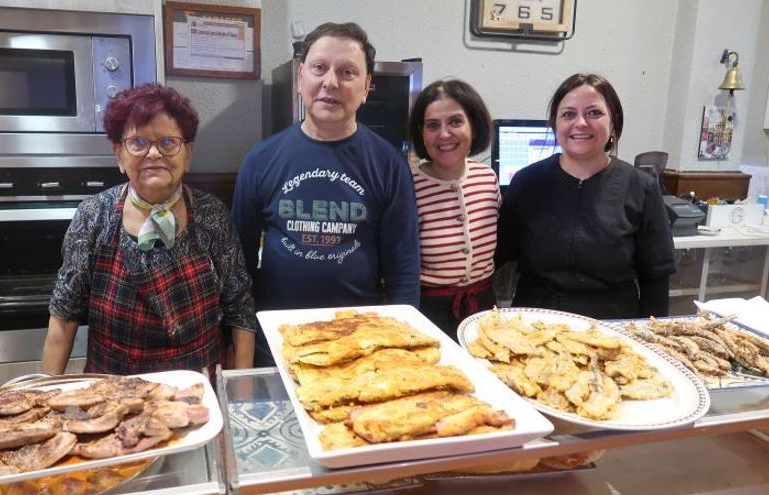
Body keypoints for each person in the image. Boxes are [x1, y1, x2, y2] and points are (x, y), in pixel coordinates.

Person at [231, 22, 420, 366]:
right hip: (276, 341)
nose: (330, 82)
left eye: (347, 72)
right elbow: (237, 264)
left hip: (358, 347)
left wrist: (400, 353)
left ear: (366, 87)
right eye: (319, 68)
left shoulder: (389, 165)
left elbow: (403, 270)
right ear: (301, 76)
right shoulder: (260, 159)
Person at [43, 83, 256, 375]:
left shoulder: (212, 214)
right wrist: (45, 392)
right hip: (113, 391)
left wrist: (241, 391)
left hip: (199, 389)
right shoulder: (94, 215)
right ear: (119, 154)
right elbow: (64, 317)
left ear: (188, 153)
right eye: (138, 142)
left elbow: (240, 311)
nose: (154, 153)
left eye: (168, 142)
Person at [496, 73, 676, 319]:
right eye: (568, 114)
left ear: (613, 123)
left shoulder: (641, 187)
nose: (580, 123)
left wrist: (650, 333)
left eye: (594, 113)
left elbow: (656, 277)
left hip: (612, 324)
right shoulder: (527, 182)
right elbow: (498, 256)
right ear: (555, 125)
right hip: (535, 321)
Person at [408, 79, 499, 340]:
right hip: (428, 312)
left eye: (456, 122)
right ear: (421, 133)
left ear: (474, 125)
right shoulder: (409, 186)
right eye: (432, 125)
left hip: (484, 308)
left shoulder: (487, 178)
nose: (444, 134)